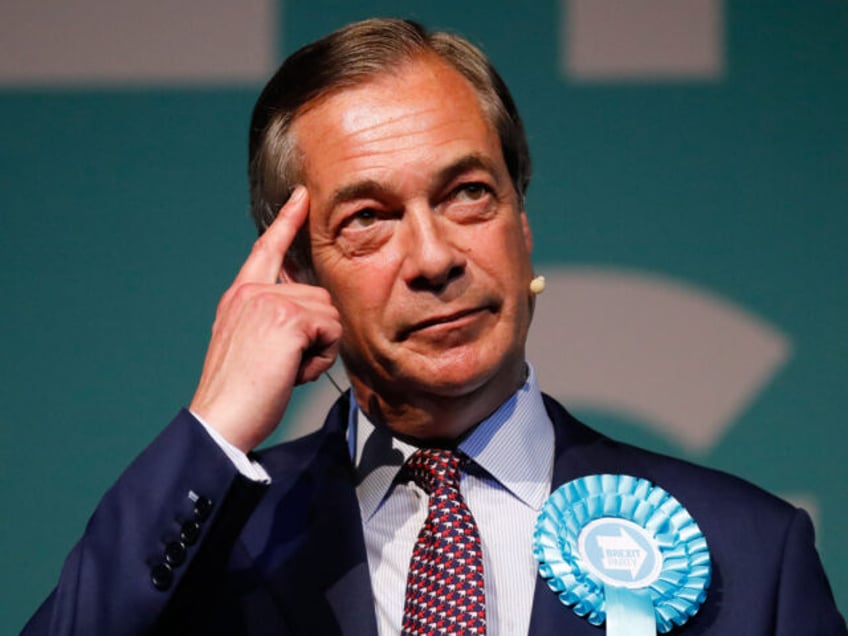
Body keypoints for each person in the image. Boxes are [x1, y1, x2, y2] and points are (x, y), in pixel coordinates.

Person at [24, 18, 845, 636]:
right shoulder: (205, 549)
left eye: (466, 194)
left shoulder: (750, 554)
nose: (433, 257)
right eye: (370, 218)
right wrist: (214, 426)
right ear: (300, 273)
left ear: (522, 224)